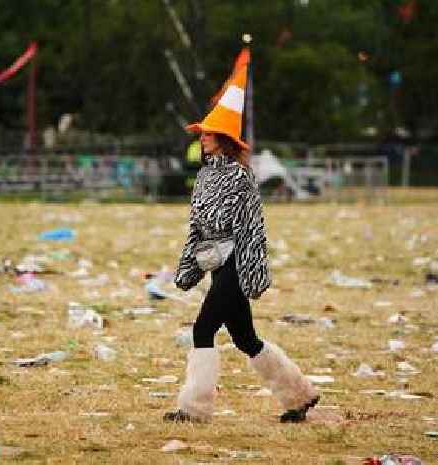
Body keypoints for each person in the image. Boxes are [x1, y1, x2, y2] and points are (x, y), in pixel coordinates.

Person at [164, 62, 319, 423]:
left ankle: (194, 409)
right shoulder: (204, 176)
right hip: (216, 266)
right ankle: (299, 397)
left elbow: (252, 228)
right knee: (246, 339)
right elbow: (197, 227)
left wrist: (250, 273)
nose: (201, 138)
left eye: (207, 133)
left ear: (223, 139)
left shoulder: (239, 176)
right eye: (201, 133)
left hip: (236, 265)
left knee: (202, 330)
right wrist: (189, 266)